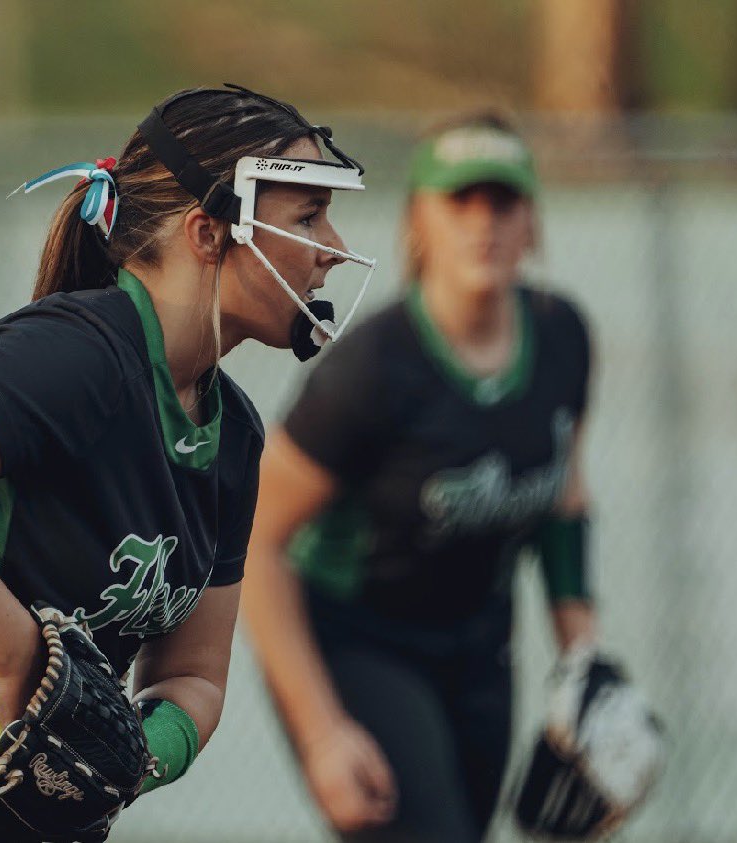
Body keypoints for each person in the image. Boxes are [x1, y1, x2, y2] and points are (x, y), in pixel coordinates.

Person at [0, 83, 375, 843]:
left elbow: (192, 675)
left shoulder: (233, 437)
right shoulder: (87, 351)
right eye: (307, 215)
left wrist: (131, 758)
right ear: (206, 231)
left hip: (25, 806)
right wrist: (15, 650)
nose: (331, 244)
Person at [242, 112, 603, 843]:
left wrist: (584, 663)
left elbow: (563, 494)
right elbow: (255, 542)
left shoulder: (562, 336)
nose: (483, 223)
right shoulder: (373, 370)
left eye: (502, 201)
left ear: (531, 221)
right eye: (458, 200)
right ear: (418, 223)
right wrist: (321, 733)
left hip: (478, 643)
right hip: (359, 640)